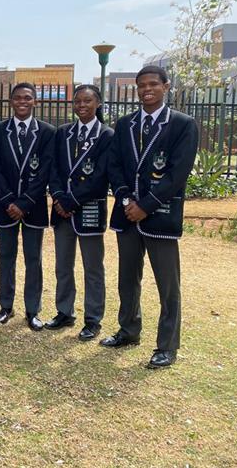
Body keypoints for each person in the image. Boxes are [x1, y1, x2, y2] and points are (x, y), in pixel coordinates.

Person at [102, 66, 198, 368]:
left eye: (153, 84)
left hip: (160, 214)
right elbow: (114, 165)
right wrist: (127, 199)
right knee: (128, 279)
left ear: (166, 87)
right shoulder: (125, 124)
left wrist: (147, 204)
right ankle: (129, 330)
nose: (147, 90)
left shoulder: (182, 124)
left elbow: (178, 174)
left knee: (168, 285)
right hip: (127, 213)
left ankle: (167, 345)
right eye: (141, 85)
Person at [46, 84, 114, 340]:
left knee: (92, 267)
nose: (82, 106)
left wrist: (72, 200)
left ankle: (93, 319)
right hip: (62, 210)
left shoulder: (107, 135)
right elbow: (54, 169)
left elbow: (102, 175)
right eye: (78, 101)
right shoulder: (63, 132)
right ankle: (64, 312)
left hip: (89, 209)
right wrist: (59, 198)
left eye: (87, 101)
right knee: (63, 265)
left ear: (97, 103)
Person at [0, 82, 55, 331]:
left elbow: (46, 170)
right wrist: (9, 201)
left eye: (27, 98)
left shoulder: (48, 132)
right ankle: (5, 306)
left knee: (33, 258)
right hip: (5, 206)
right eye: (17, 98)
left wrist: (25, 202)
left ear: (35, 101)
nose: (22, 102)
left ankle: (33, 310)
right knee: (6, 256)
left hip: (33, 206)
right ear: (11, 101)